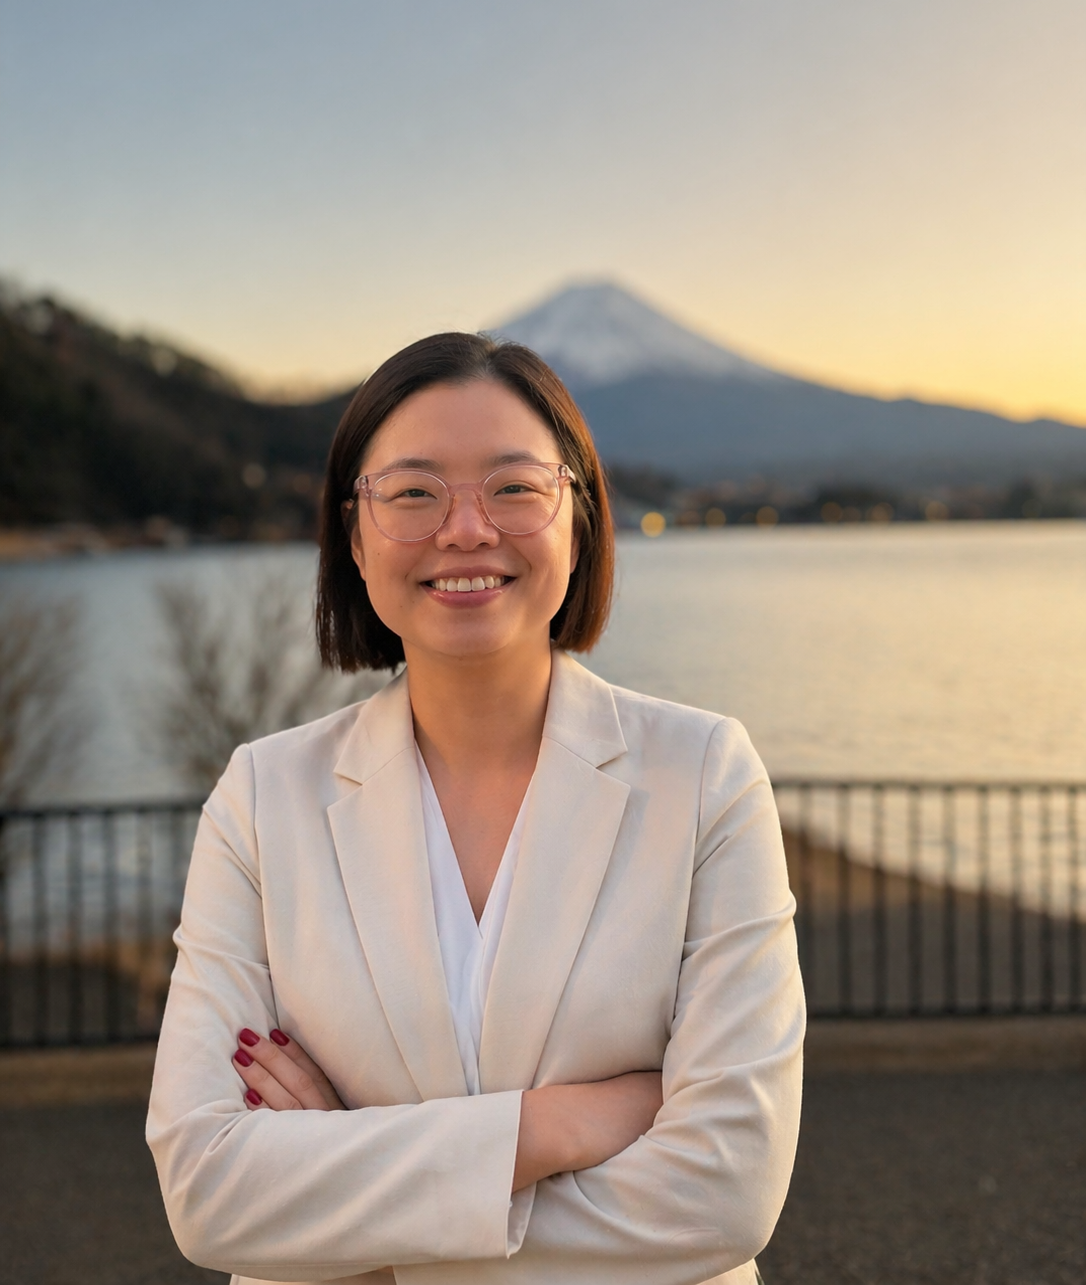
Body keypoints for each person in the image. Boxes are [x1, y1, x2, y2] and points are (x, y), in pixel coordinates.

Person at [147, 332, 804, 1285]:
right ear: (355, 535)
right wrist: (555, 1126)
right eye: (413, 493)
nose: (465, 530)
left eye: (513, 486)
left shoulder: (704, 775)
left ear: (577, 520)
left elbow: (725, 1192)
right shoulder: (262, 797)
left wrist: (348, 1183)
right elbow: (210, 1192)